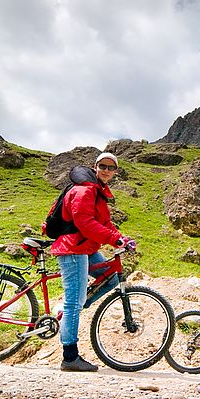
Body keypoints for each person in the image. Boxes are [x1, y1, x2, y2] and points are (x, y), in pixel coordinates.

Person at [47, 152, 134, 372]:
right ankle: (70, 357)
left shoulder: (97, 191)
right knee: (73, 302)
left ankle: (75, 307)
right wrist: (114, 239)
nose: (106, 170)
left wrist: (121, 238)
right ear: (95, 167)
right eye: (102, 166)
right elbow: (85, 223)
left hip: (86, 247)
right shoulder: (85, 190)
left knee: (111, 278)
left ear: (115, 172)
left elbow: (104, 223)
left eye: (111, 168)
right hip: (73, 247)